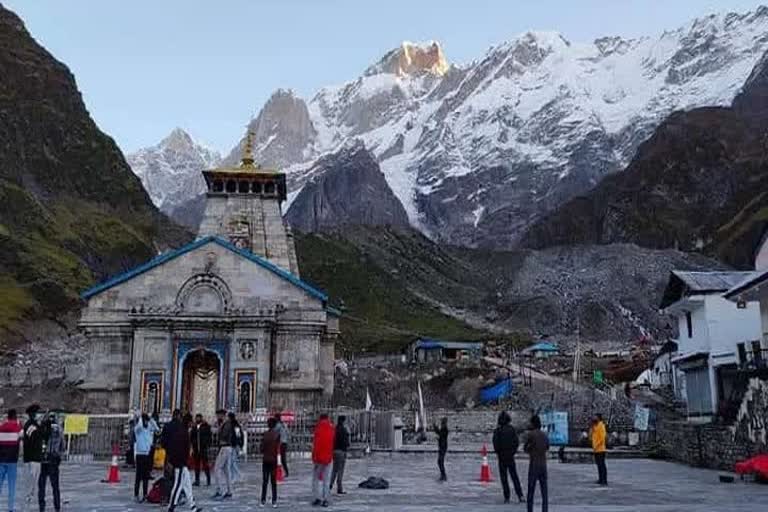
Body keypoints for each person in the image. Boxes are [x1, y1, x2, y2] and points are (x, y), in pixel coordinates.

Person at [163, 411, 202, 512]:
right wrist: (174, 461)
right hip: (180, 463)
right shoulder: (182, 432)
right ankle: (171, 506)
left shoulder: (183, 431)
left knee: (187, 485)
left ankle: (193, 507)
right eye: (191, 422)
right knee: (178, 485)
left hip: (183, 463)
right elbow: (178, 448)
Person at [493, 411, 524, 504]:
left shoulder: (498, 430)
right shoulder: (512, 429)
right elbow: (516, 442)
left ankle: (507, 496)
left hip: (502, 457)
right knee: (514, 476)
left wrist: (499, 452)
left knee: (504, 478)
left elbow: (496, 444)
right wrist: (512, 452)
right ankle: (520, 495)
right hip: (510, 456)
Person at [38, 413, 64, 512]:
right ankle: (57, 506)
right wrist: (59, 456)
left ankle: (42, 506)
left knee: (42, 485)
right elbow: (62, 444)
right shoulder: (59, 429)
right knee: (55, 486)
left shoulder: (42, 428)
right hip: (54, 458)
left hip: (43, 459)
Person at [524, 415, 549, 512]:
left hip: (534, 464)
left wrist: (531, 450)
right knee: (544, 491)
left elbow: (526, 448)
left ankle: (530, 510)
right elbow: (547, 447)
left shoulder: (531, 435)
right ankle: (545, 509)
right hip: (543, 464)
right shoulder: (544, 435)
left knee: (531, 490)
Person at [0, 409, 22, 512]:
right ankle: (10, 508)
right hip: (12, 461)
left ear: (7, 417)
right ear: (15, 417)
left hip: (1, 460)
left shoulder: (1, 428)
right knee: (11, 487)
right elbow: (24, 437)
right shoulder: (18, 428)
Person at [134, 413, 160, 502]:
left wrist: (151, 420)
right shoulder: (138, 429)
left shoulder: (149, 429)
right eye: (144, 421)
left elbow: (157, 429)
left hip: (147, 454)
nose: (146, 422)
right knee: (138, 476)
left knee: (146, 476)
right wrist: (141, 418)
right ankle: (136, 494)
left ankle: (145, 494)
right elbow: (140, 426)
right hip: (139, 454)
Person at [311, 414, 335, 507]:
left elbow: (316, 444)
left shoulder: (318, 428)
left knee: (315, 479)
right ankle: (326, 499)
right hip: (328, 457)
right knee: (326, 480)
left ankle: (317, 497)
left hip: (318, 458)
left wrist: (314, 457)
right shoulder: (331, 428)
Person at [22, 404, 43, 509]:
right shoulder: (31, 426)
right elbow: (34, 441)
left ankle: (28, 502)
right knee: (31, 482)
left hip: (32, 458)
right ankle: (27, 504)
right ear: (34, 414)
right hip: (33, 458)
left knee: (32, 482)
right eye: (38, 413)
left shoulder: (34, 425)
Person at [212, 410, 234, 500]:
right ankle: (229, 491)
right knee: (226, 471)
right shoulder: (225, 424)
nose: (217, 417)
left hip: (225, 447)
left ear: (222, 415)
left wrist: (217, 430)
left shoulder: (226, 424)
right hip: (226, 448)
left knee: (217, 468)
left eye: (218, 415)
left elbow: (223, 435)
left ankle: (219, 490)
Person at [260, 417, 281, 508]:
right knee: (273, 482)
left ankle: (263, 500)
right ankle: (274, 500)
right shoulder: (277, 435)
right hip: (274, 460)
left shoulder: (265, 435)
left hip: (266, 459)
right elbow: (278, 449)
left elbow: (261, 448)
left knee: (265, 481)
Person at [330, 415, 349, 495]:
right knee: (340, 470)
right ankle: (339, 487)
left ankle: (329, 485)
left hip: (334, 451)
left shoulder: (334, 429)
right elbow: (347, 443)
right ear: (343, 421)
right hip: (342, 451)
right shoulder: (344, 430)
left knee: (334, 469)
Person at [190, 414, 212, 487]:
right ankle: (197, 480)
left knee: (205, 464)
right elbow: (191, 436)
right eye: (196, 418)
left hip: (203, 448)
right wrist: (193, 444)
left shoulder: (206, 426)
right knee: (197, 465)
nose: (197, 419)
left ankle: (208, 479)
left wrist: (207, 444)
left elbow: (209, 436)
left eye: (199, 418)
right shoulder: (194, 427)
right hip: (196, 448)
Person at [591, 414, 608, 486]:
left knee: (602, 465)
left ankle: (604, 480)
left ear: (599, 418)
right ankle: (600, 479)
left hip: (600, 449)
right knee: (599, 465)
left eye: (595, 417)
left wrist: (596, 445)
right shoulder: (595, 426)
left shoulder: (601, 426)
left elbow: (602, 438)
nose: (593, 418)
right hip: (596, 449)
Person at [228, 413, 243, 486]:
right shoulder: (232, 425)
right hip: (232, 445)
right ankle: (237, 475)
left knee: (232, 462)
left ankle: (237, 476)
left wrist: (239, 444)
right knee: (232, 462)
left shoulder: (235, 425)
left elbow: (238, 435)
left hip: (234, 445)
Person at [274, 413, 290, 478]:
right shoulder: (284, 425)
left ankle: (278, 471)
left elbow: (274, 433)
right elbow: (288, 433)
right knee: (283, 459)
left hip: (280, 443)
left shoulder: (277, 425)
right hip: (285, 443)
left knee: (278, 458)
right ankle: (286, 472)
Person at [433, 417, 449, 481]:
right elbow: (439, 433)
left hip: (443, 447)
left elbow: (441, 434)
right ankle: (443, 475)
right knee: (440, 461)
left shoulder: (445, 429)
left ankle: (443, 475)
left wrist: (435, 427)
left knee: (440, 461)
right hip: (441, 446)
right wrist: (435, 427)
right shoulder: (443, 428)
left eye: (441, 422)